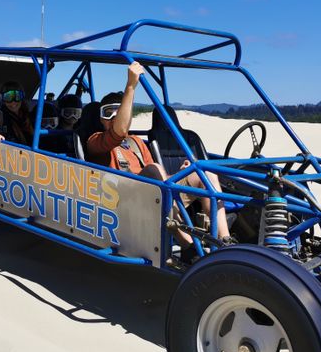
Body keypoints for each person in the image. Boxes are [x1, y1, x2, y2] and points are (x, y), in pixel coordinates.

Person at [86, 62, 231, 249]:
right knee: (155, 171)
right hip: (122, 202)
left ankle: (225, 240)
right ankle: (188, 246)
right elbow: (119, 132)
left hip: (155, 198)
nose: (114, 116)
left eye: (119, 110)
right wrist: (130, 87)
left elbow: (161, 178)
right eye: (108, 113)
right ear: (100, 119)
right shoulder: (95, 141)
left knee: (205, 175)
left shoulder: (137, 142)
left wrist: (180, 173)